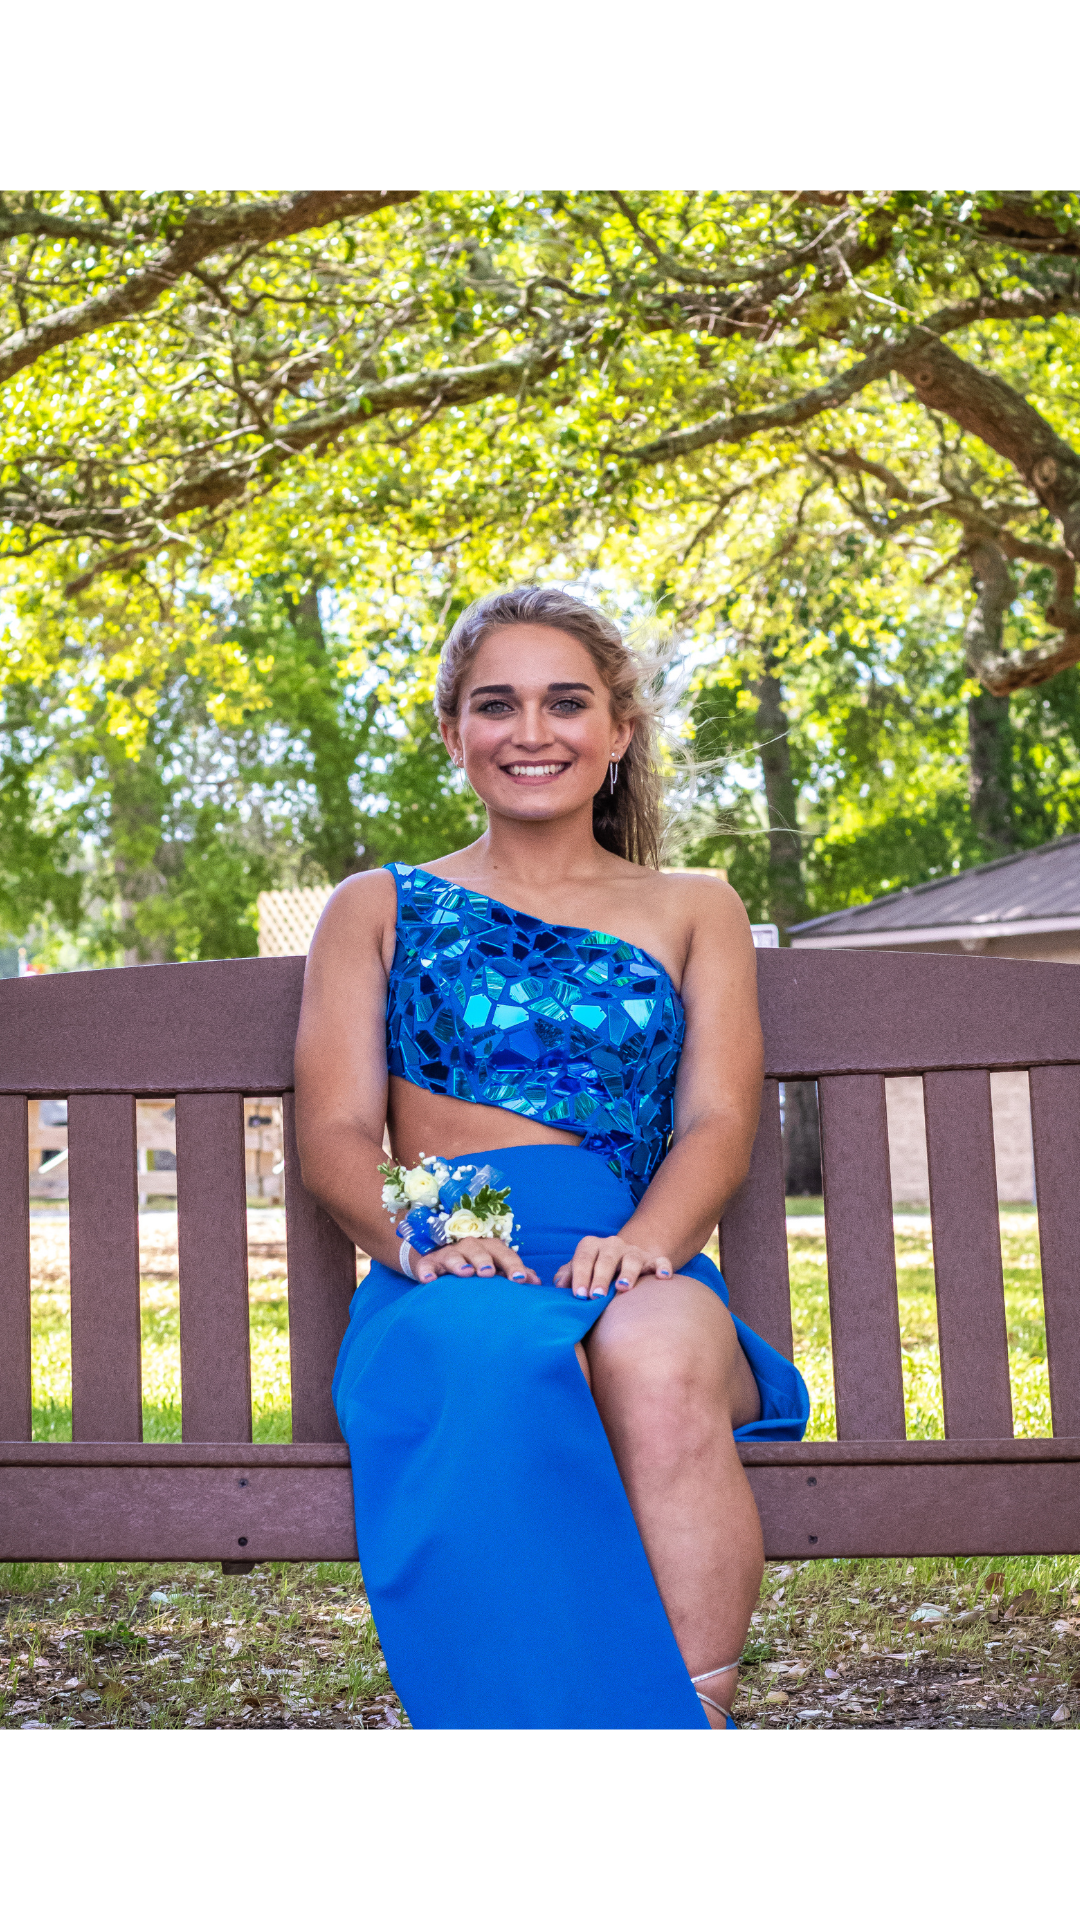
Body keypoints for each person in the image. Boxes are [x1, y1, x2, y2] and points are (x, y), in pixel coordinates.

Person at [294, 586, 808, 1731]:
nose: (533, 732)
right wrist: (421, 1237)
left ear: (618, 730)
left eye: (566, 703)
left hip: (631, 1249)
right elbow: (332, 1133)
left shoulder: (694, 905)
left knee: (661, 1350)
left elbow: (719, 1117)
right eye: (498, 705)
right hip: (452, 1258)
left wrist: (647, 1246)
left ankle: (687, 1729)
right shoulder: (376, 906)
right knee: (493, 1359)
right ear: (452, 733)